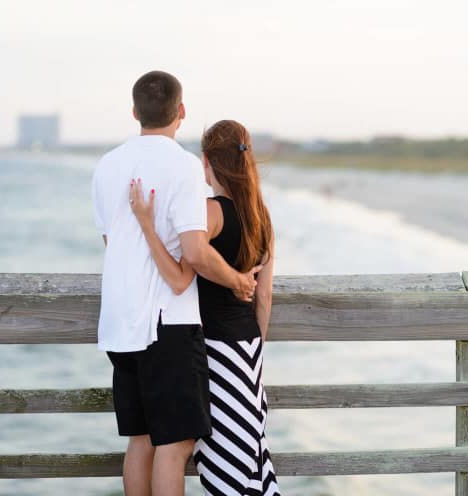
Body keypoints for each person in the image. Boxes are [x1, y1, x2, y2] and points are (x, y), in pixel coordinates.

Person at [90, 70, 260, 496]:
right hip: (168, 324)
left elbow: (113, 243)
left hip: (119, 322)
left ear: (135, 112)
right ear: (181, 111)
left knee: (141, 440)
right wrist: (238, 280)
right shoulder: (184, 166)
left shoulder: (106, 166)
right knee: (176, 443)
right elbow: (197, 253)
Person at [130, 119, 281, 495]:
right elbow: (263, 297)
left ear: (206, 163)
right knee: (245, 448)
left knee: (220, 454)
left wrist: (147, 226)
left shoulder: (209, 212)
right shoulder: (263, 218)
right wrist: (253, 351)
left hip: (212, 348)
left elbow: (185, 266)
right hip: (248, 349)